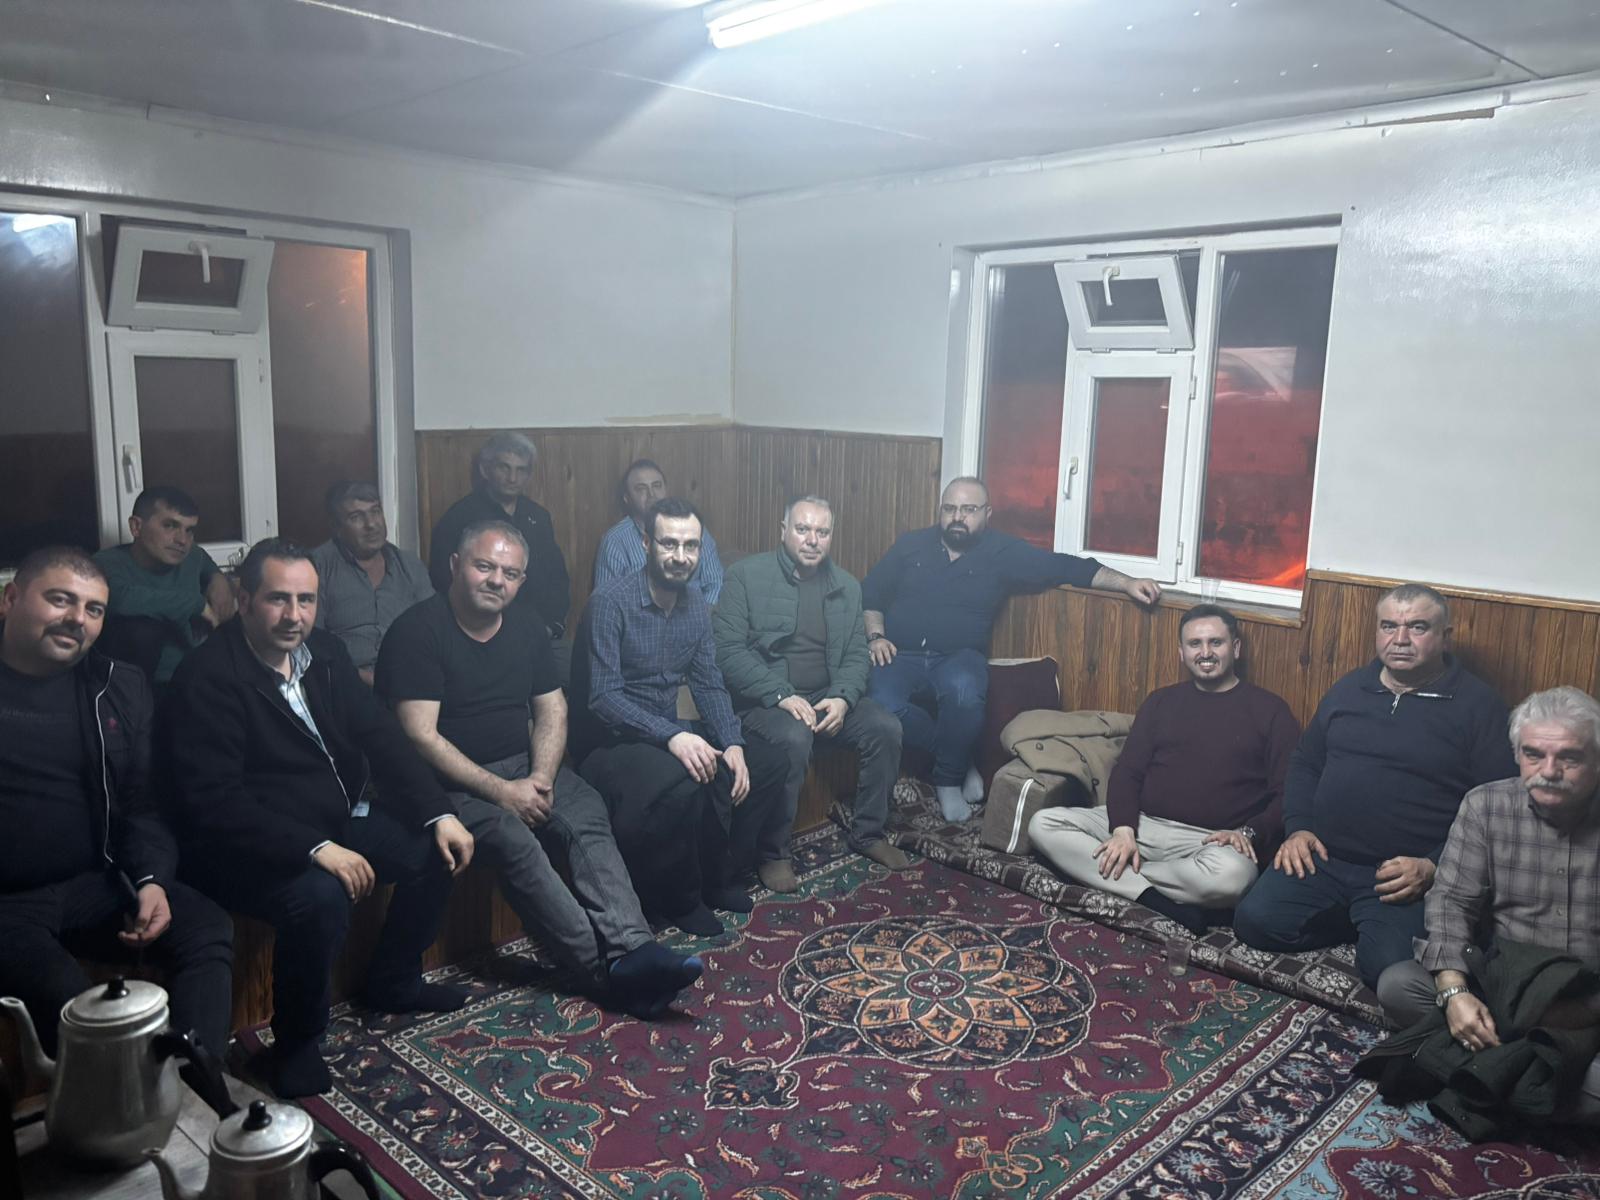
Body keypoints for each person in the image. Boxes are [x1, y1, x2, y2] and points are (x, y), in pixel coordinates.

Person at [167, 539, 475, 1098]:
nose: (294, 615)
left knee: (435, 850)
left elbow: (382, 738)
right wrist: (314, 848)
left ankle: (394, 980)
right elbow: (214, 802)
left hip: (331, 818)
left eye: (305, 600)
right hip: (239, 846)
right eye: (277, 599)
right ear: (244, 600)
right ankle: (296, 1044)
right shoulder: (208, 676)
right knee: (319, 897)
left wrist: (438, 812)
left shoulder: (324, 654)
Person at [378, 521, 701, 1019]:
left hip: (523, 766)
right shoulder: (417, 631)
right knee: (514, 838)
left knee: (585, 809)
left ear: (522, 580)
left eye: (510, 573)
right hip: (443, 783)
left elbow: (552, 709)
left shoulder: (526, 626)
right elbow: (421, 736)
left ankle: (635, 948)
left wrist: (542, 778)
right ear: (455, 566)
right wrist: (503, 792)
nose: (496, 580)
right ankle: (603, 973)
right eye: (484, 566)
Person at [0, 547, 233, 1067]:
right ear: (10, 599)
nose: (76, 619)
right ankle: (123, 1105)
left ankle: (198, 1085)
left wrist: (151, 880)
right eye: (59, 599)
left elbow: (141, 801)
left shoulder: (117, 687)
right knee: (76, 1004)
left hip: (94, 883)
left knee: (206, 929)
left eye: (94, 609)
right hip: (8, 904)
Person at [1233, 584, 1514, 989]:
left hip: (1403, 875)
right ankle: (1356, 922)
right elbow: (1306, 762)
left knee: (1385, 966)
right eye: (1388, 626)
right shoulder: (1350, 688)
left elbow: (1497, 805)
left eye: (1417, 627)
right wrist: (1299, 828)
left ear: (1445, 637)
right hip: (1324, 857)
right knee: (1254, 923)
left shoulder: (1478, 705)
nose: (1400, 639)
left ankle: (1372, 931)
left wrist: (1434, 866)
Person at [862, 476, 1161, 821]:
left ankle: (947, 780)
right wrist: (876, 636)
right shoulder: (910, 545)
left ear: (987, 513)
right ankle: (956, 758)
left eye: (968, 509)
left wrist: (1127, 582)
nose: (957, 517)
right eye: (950, 509)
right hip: (899, 653)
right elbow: (872, 593)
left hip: (959, 658)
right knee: (882, 703)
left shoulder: (1003, 552)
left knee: (965, 693)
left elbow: (1065, 567)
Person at [1373, 685, 1600, 1125]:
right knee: (1398, 986)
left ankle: (1481, 1071)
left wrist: (1578, 1012)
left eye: (1569, 758)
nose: (1549, 771)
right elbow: (1451, 902)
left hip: (1587, 1000)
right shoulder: (1486, 804)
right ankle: (1517, 1077)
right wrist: (1455, 994)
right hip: (1502, 986)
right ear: (1517, 754)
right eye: (1533, 754)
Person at [573, 498, 784, 937]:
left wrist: (733, 742)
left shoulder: (696, 605)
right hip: (609, 742)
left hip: (667, 730)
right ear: (647, 543)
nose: (680, 556)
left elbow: (708, 684)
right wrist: (672, 735)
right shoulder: (609, 603)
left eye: (691, 546)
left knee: (766, 762)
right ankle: (681, 898)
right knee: (683, 781)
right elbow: (603, 699)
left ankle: (717, 877)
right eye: (669, 543)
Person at [1029, 604, 1300, 932]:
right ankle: (1158, 900)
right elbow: (1128, 772)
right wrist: (1123, 829)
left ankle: (1096, 871)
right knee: (1043, 824)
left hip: (1210, 842)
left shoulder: (1271, 711)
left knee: (1235, 877)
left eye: (1216, 642)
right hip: (1143, 826)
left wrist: (1248, 832)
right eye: (1195, 644)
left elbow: (1289, 793)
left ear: (1236, 648)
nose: (1205, 653)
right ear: (1181, 653)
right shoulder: (1160, 702)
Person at [713, 495, 909, 893]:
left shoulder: (847, 586)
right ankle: (773, 852)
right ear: (783, 530)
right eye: (802, 529)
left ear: (831, 536)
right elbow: (727, 651)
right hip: (766, 701)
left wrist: (843, 697)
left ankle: (868, 833)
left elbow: (856, 654)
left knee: (886, 727)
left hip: (825, 695)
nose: (812, 540)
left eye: (822, 531)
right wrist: (780, 694)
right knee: (793, 736)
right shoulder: (745, 575)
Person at [427, 433, 570, 639]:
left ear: (529, 475)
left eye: (521, 470)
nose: (512, 478)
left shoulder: (538, 516)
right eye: (504, 467)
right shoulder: (460, 517)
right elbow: (443, 578)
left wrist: (553, 624)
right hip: (479, 630)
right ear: (485, 470)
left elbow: (557, 576)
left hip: (538, 630)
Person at [93, 486, 236, 686]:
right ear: (136, 527)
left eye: (189, 530)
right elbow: (118, 598)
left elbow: (207, 565)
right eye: (169, 526)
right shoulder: (106, 563)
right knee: (140, 631)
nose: (182, 540)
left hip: (195, 678)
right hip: (136, 686)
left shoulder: (193, 556)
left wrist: (218, 578)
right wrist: (195, 604)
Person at [309, 481, 433, 686]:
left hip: (410, 680)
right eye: (356, 517)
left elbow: (434, 630)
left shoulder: (409, 565)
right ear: (336, 528)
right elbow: (312, 644)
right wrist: (368, 679)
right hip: (345, 683)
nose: (371, 524)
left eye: (375, 512)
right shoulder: (317, 568)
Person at [594, 458, 725, 604]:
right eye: (641, 488)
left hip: (693, 612)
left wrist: (697, 614)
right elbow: (605, 599)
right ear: (627, 498)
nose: (651, 494)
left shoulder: (694, 529)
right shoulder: (615, 540)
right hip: (640, 617)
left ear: (665, 490)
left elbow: (715, 584)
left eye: (657, 486)